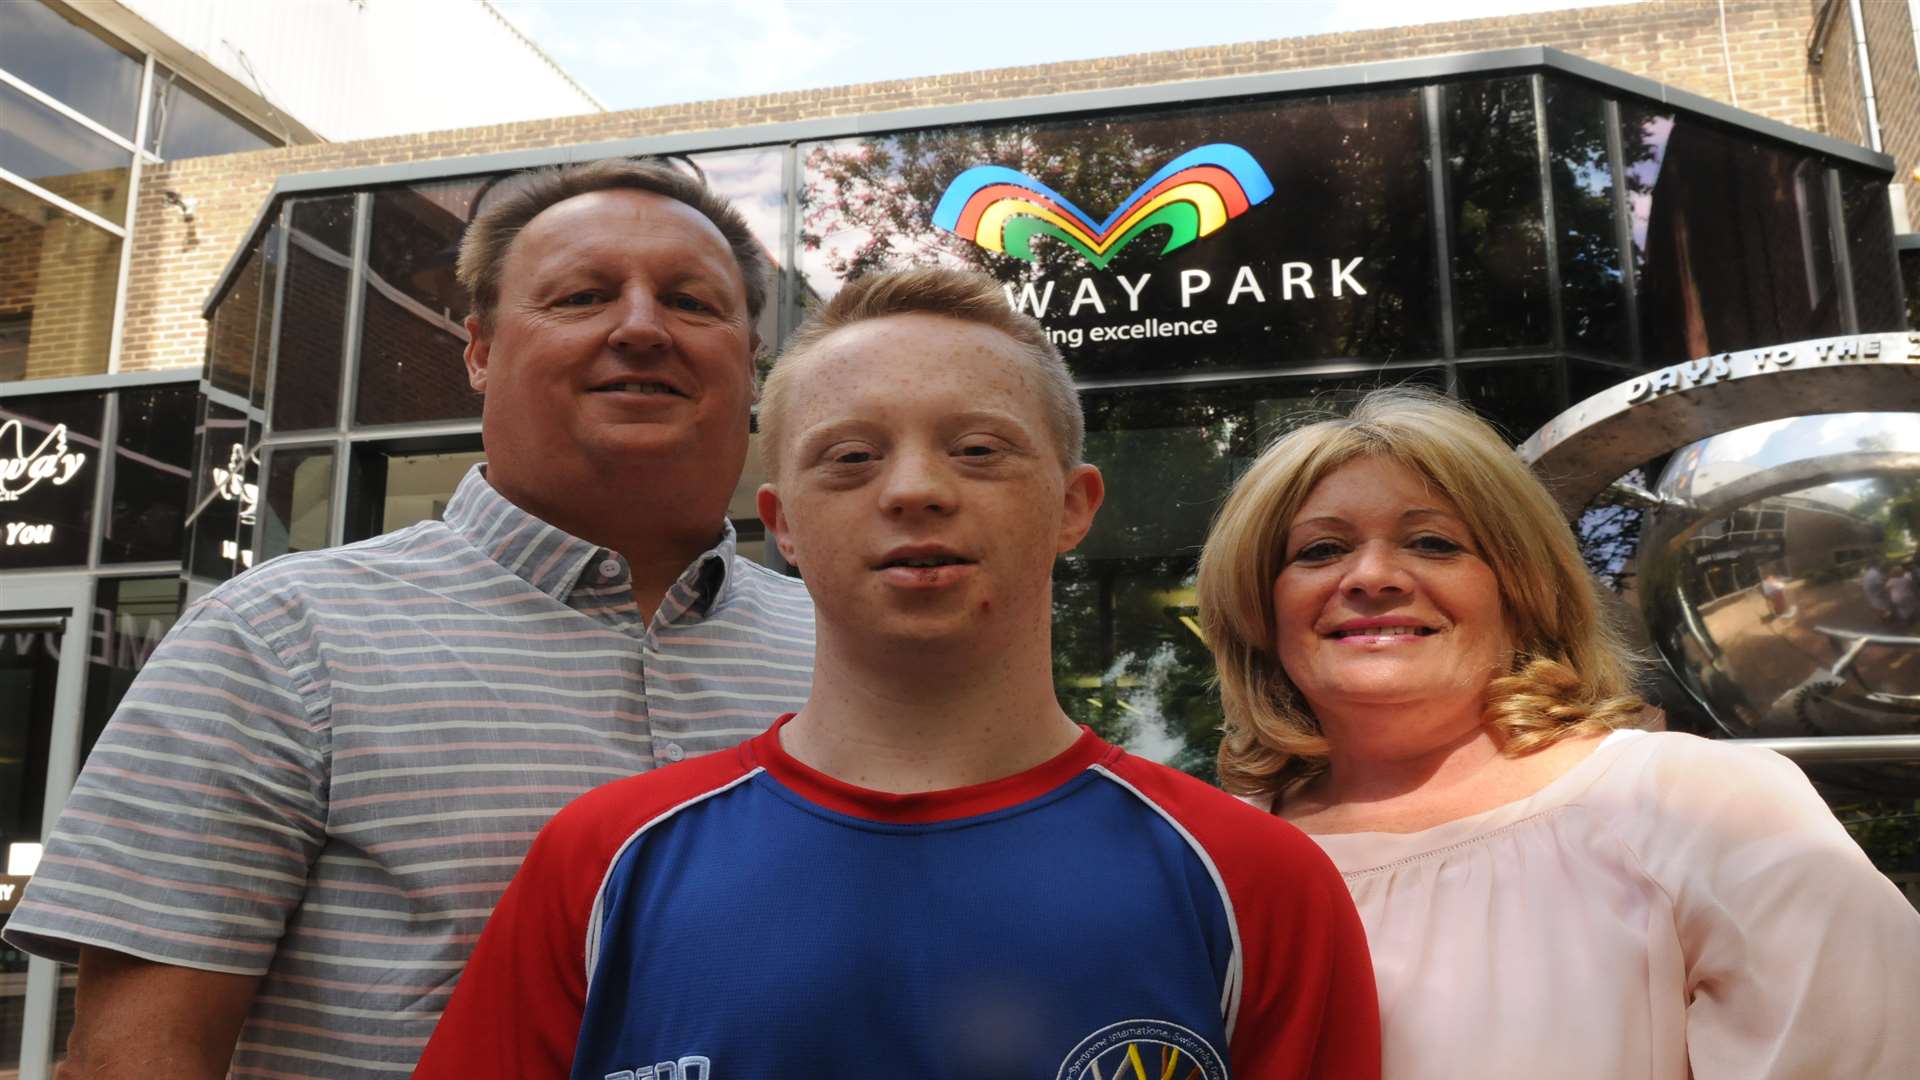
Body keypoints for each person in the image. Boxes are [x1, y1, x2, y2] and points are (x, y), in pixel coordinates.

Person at [413, 268, 1380, 1080]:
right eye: (851, 456)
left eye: (977, 449)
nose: (915, 489)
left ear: (1073, 506)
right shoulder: (600, 864)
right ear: (782, 524)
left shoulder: (1257, 884)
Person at [2, 159, 815, 1078]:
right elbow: (137, 1060)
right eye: (583, 296)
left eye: (693, 303)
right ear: (478, 349)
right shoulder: (276, 641)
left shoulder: (844, 658)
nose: (640, 326)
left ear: (750, 362)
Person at [1193, 386, 1920, 1079]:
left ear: (1522, 590)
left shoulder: (1696, 805)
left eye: (1433, 543)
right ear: (1261, 609)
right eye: (1319, 551)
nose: (1373, 576)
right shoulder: (1202, 863)